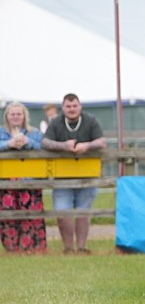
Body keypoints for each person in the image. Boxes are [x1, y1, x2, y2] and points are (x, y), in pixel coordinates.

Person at [40, 93, 106, 254]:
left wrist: (87, 146)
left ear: (80, 106)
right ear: (62, 108)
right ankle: (68, 248)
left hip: (87, 176)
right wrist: (63, 146)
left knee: (84, 212)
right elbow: (45, 141)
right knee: (63, 212)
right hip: (62, 177)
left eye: (74, 106)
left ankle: (82, 247)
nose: (71, 109)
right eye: (68, 106)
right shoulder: (56, 122)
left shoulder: (90, 120)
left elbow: (102, 141)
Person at [0, 102, 47, 253]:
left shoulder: (34, 133)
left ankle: (32, 247)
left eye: (19, 114)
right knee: (8, 216)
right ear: (7, 116)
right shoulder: (1, 132)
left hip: (29, 180)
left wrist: (28, 143)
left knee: (31, 215)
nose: (15, 117)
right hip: (6, 181)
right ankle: (12, 249)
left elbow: (44, 148)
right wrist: (9, 143)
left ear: (24, 116)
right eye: (12, 114)